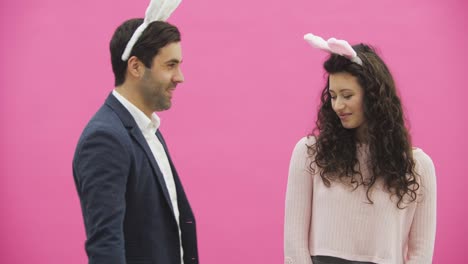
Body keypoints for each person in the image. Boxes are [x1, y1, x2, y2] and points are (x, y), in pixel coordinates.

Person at [284, 34, 436, 264]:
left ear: (374, 97)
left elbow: (421, 254)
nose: (337, 106)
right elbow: (294, 247)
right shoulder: (310, 154)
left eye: (347, 95)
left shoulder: (417, 167)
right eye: (333, 96)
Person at [72, 4, 198, 263]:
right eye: (170, 65)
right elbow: (106, 245)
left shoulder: (146, 128)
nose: (180, 77)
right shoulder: (105, 138)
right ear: (136, 67)